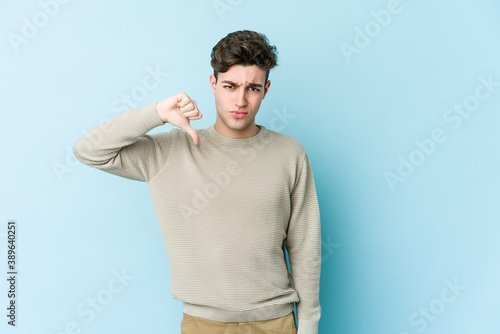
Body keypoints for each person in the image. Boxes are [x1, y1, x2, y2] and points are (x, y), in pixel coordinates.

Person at [73, 30, 321, 334]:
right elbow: (89, 150)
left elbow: (305, 245)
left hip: (276, 322)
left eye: (252, 88)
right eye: (230, 86)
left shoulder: (289, 152)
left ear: (266, 90)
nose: (241, 100)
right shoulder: (170, 151)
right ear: (213, 83)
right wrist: (158, 113)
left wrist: (309, 323)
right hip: (203, 325)